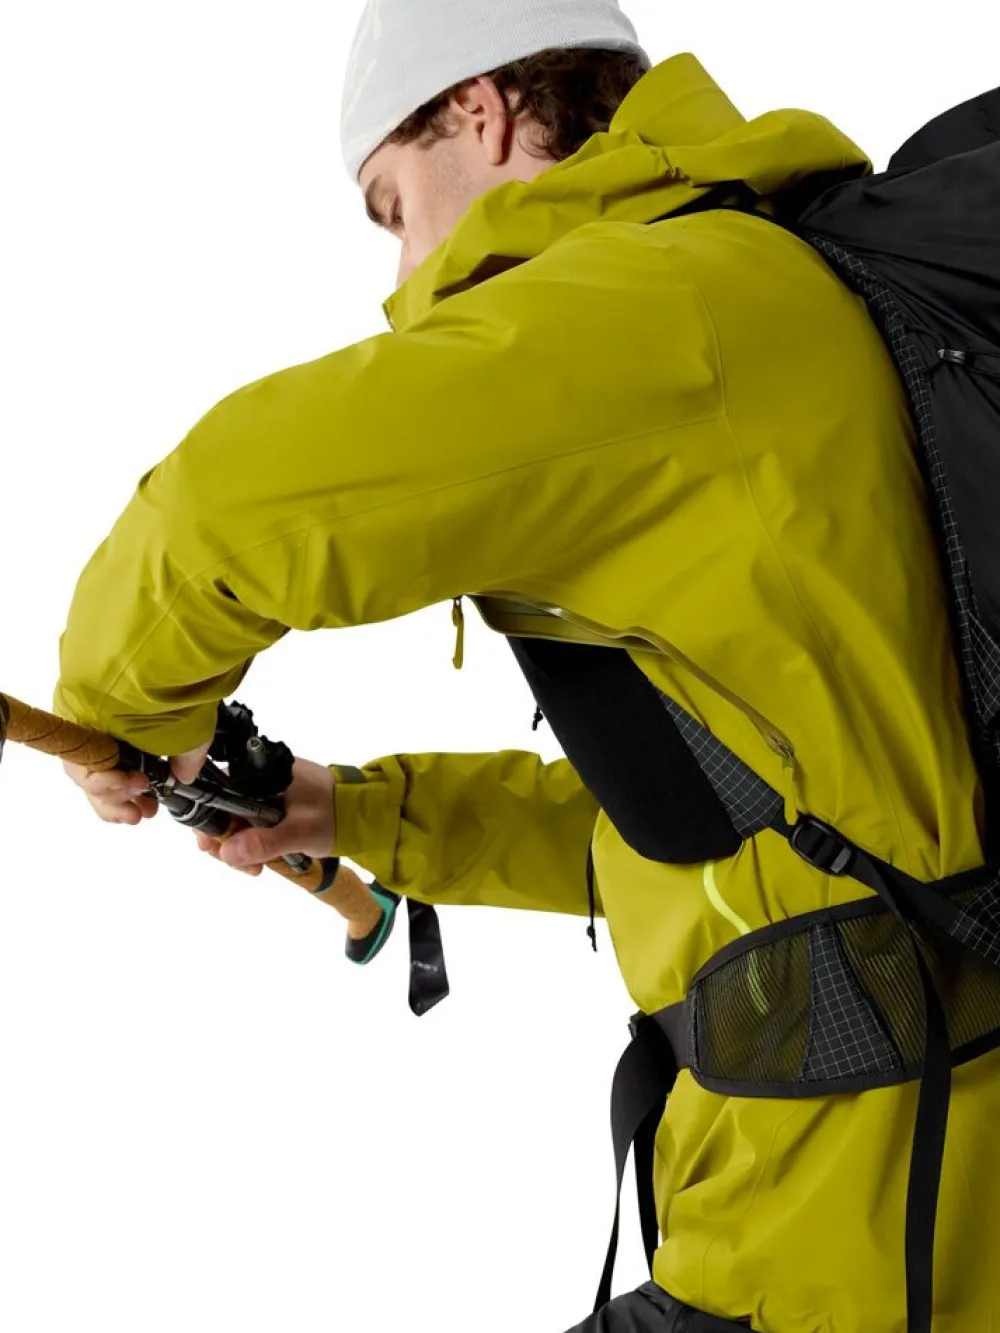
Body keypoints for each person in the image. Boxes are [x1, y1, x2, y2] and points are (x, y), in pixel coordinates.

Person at [56, 1, 1000, 1329]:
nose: (400, 268)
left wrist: (119, 718)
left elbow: (219, 517)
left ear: (482, 112)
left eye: (394, 206)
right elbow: (761, 831)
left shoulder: (663, 306)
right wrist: (361, 811)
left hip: (846, 1248)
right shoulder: (769, 301)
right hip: (897, 1197)